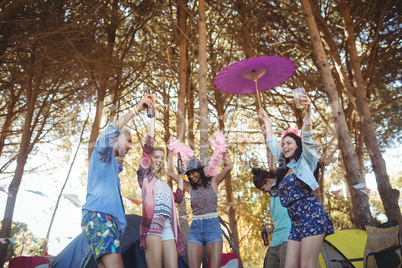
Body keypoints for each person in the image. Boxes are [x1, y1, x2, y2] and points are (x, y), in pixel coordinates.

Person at [259, 91, 334, 268]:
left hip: (311, 215)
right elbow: (272, 143)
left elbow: (307, 137)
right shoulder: (284, 168)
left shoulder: (306, 161)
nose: (284, 146)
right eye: (283, 144)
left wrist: (308, 111)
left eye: (289, 143)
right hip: (296, 222)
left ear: (297, 145)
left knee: (308, 265)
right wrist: (267, 121)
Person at [81, 95, 154, 268]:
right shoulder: (102, 154)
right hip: (100, 216)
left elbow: (123, 159)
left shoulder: (113, 164)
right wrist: (137, 110)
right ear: (115, 139)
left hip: (103, 220)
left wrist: (152, 121)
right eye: (128, 140)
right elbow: (109, 132)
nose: (130, 146)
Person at [137, 109, 185, 268]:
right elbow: (148, 145)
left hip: (167, 227)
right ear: (149, 159)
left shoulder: (163, 184)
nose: (159, 160)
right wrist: (152, 119)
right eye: (155, 157)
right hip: (152, 225)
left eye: (161, 158)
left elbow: (178, 198)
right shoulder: (145, 176)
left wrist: (181, 177)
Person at [167, 152, 233, 268]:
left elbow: (229, 167)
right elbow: (170, 172)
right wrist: (171, 151)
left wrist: (223, 150)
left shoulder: (213, 182)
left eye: (193, 173)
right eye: (189, 175)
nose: (192, 177)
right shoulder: (189, 187)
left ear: (200, 171)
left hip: (213, 228)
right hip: (195, 229)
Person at [251, 168, 291, 268]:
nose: (263, 193)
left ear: (269, 181)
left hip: (288, 239)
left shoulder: (286, 190)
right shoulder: (272, 199)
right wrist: (270, 230)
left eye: (263, 189)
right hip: (274, 242)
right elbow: (279, 220)